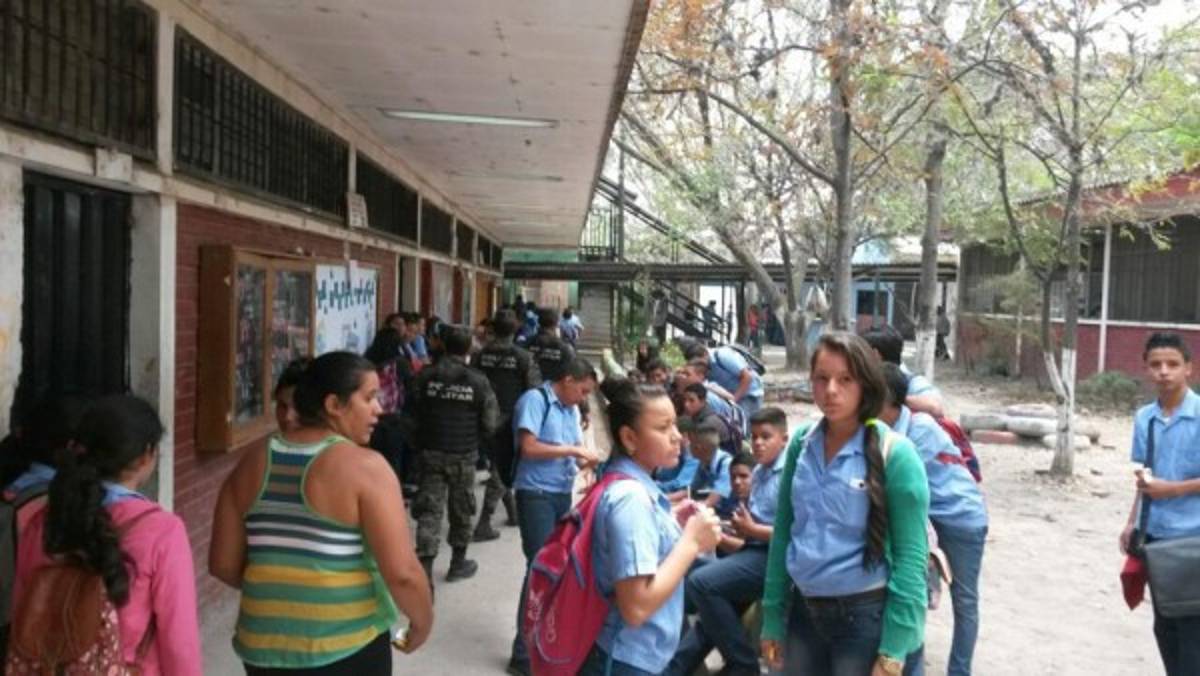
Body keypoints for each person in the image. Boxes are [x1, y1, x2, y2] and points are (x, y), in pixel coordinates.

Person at [211, 352, 433, 674]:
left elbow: (222, 564)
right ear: (334, 405)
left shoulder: (250, 463)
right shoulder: (366, 468)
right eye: (369, 397)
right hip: (345, 646)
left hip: (261, 648)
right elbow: (402, 573)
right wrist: (422, 622)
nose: (379, 409)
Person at [760, 332, 929, 676]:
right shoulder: (801, 445)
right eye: (821, 378)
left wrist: (894, 650)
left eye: (845, 379)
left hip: (864, 619)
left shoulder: (896, 454)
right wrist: (772, 616)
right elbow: (784, 532)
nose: (831, 390)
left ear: (865, 383)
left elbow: (912, 556)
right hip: (804, 613)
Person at [12, 395, 201, 674]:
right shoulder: (164, 532)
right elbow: (179, 641)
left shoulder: (41, 520)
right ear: (147, 454)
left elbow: (22, 610)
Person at [578, 378, 723, 675]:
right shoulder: (631, 499)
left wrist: (671, 520)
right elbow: (636, 608)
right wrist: (692, 542)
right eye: (663, 427)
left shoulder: (630, 483)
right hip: (627, 659)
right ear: (630, 438)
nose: (677, 436)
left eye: (675, 425)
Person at [880, 363, 988, 676]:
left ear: (886, 398)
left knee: (964, 601)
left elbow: (895, 481)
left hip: (961, 518)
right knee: (913, 593)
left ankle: (959, 671)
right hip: (930, 519)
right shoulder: (887, 430)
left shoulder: (921, 429)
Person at [668, 407, 790, 676]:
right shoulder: (761, 472)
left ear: (784, 439)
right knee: (714, 617)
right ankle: (673, 669)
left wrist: (751, 529)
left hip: (774, 558)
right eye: (754, 436)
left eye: (766, 436)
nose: (758, 443)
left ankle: (743, 664)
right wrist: (737, 528)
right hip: (753, 550)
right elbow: (750, 529)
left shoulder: (788, 476)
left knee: (701, 583)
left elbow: (793, 533)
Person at [507, 358, 600, 676]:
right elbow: (529, 447)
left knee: (559, 569)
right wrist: (573, 452)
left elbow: (574, 452)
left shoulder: (571, 410)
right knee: (539, 568)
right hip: (535, 493)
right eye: (582, 391)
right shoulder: (535, 401)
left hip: (560, 493)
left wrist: (588, 466)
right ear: (568, 380)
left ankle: (545, 644)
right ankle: (522, 653)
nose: (583, 398)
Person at [1119, 332, 1200, 675]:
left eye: (1172, 364)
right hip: (1156, 539)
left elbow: (1166, 487)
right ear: (1146, 369)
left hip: (1194, 539)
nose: (1164, 371)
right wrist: (1132, 522)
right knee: (1165, 625)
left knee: (1192, 632)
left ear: (1188, 368)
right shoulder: (1145, 418)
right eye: (1156, 364)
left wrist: (1175, 489)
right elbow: (1145, 476)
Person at [405, 325, 500, 584]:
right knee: (462, 509)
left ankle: (425, 570)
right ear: (468, 348)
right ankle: (458, 563)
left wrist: (419, 446)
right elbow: (490, 423)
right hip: (463, 454)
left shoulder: (425, 376)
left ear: (442, 345)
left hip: (430, 452)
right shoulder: (478, 380)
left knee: (429, 510)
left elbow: (410, 416)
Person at [470, 309, 541, 541]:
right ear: (516, 328)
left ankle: (512, 513)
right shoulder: (523, 357)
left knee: (498, 466)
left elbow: (473, 382)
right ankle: (484, 521)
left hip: (482, 420)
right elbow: (533, 391)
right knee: (502, 470)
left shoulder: (480, 354)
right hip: (510, 420)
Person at [863, 324, 945, 418]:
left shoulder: (913, 382)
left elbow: (935, 407)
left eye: (861, 353)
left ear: (875, 355)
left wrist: (894, 399)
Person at [685, 343, 764, 421]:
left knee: (743, 422)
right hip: (732, 394)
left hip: (749, 394)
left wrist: (733, 401)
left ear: (705, 354)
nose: (700, 366)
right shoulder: (705, 365)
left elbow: (747, 377)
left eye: (701, 362)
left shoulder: (723, 356)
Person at [528, 307, 576, 382]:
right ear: (556, 324)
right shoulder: (565, 348)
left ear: (538, 322)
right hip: (554, 387)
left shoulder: (526, 343)